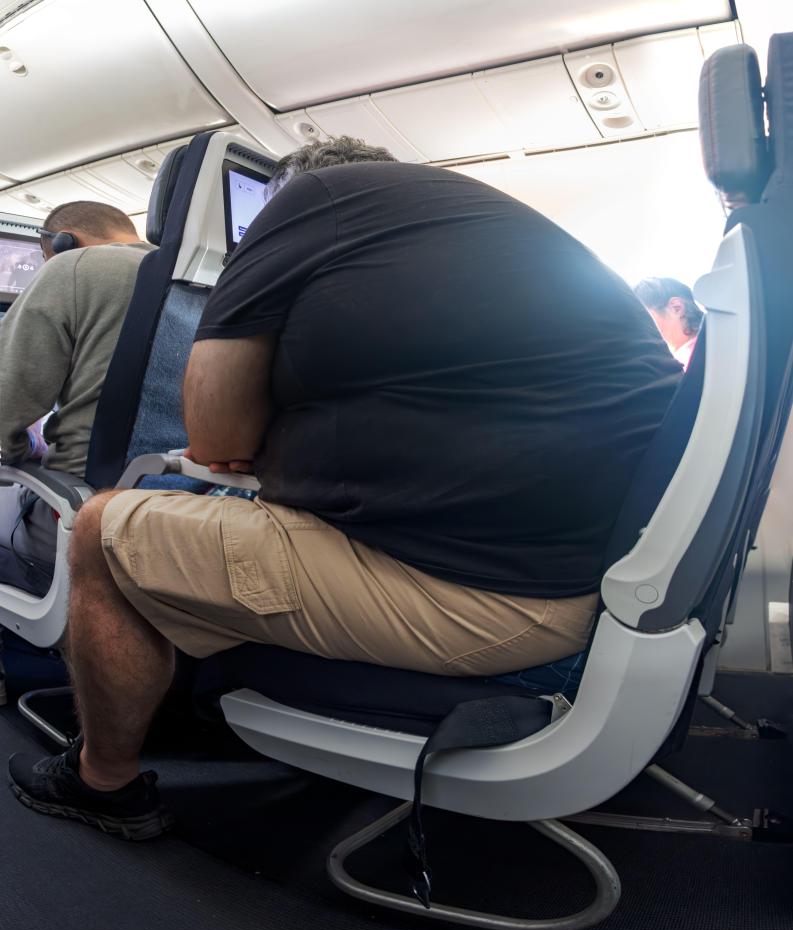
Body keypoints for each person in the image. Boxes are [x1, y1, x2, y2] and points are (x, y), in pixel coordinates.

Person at [8, 137, 683, 838]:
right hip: (584, 573)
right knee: (205, 521)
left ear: (275, 203)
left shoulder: (306, 204)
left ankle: (103, 783)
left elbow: (215, 441)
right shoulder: (485, 234)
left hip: (497, 601)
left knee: (104, 526)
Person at [0, 201, 151, 595]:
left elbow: (3, 414)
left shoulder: (73, 267)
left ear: (66, 242)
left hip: (79, 505)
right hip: (177, 505)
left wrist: (23, 445)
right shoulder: (198, 277)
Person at [633, 277, 704, 371]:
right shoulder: (711, 346)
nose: (641, 327)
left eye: (644, 317)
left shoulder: (696, 358)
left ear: (676, 308)